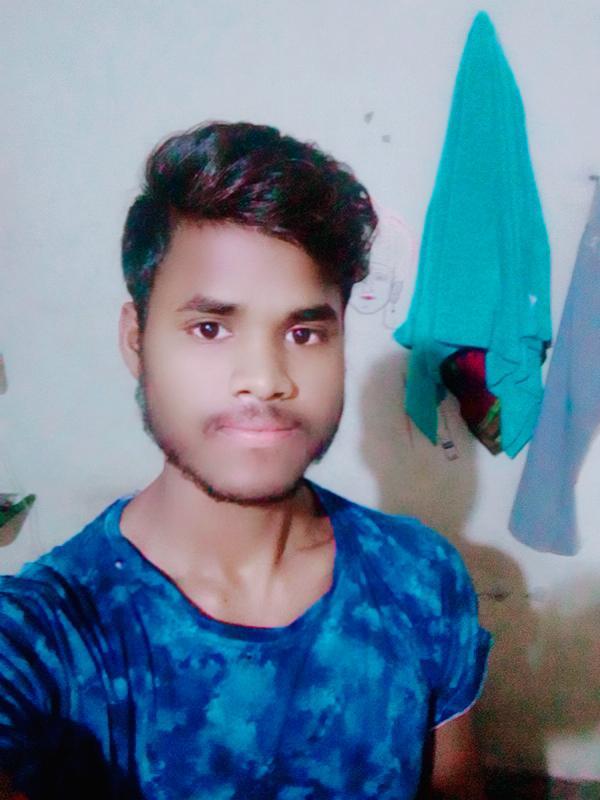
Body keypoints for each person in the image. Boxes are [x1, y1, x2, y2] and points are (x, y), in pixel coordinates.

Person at [0, 122, 491, 800]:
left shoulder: (421, 577)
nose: (265, 379)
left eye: (304, 332)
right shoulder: (49, 634)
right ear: (136, 340)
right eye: (210, 328)